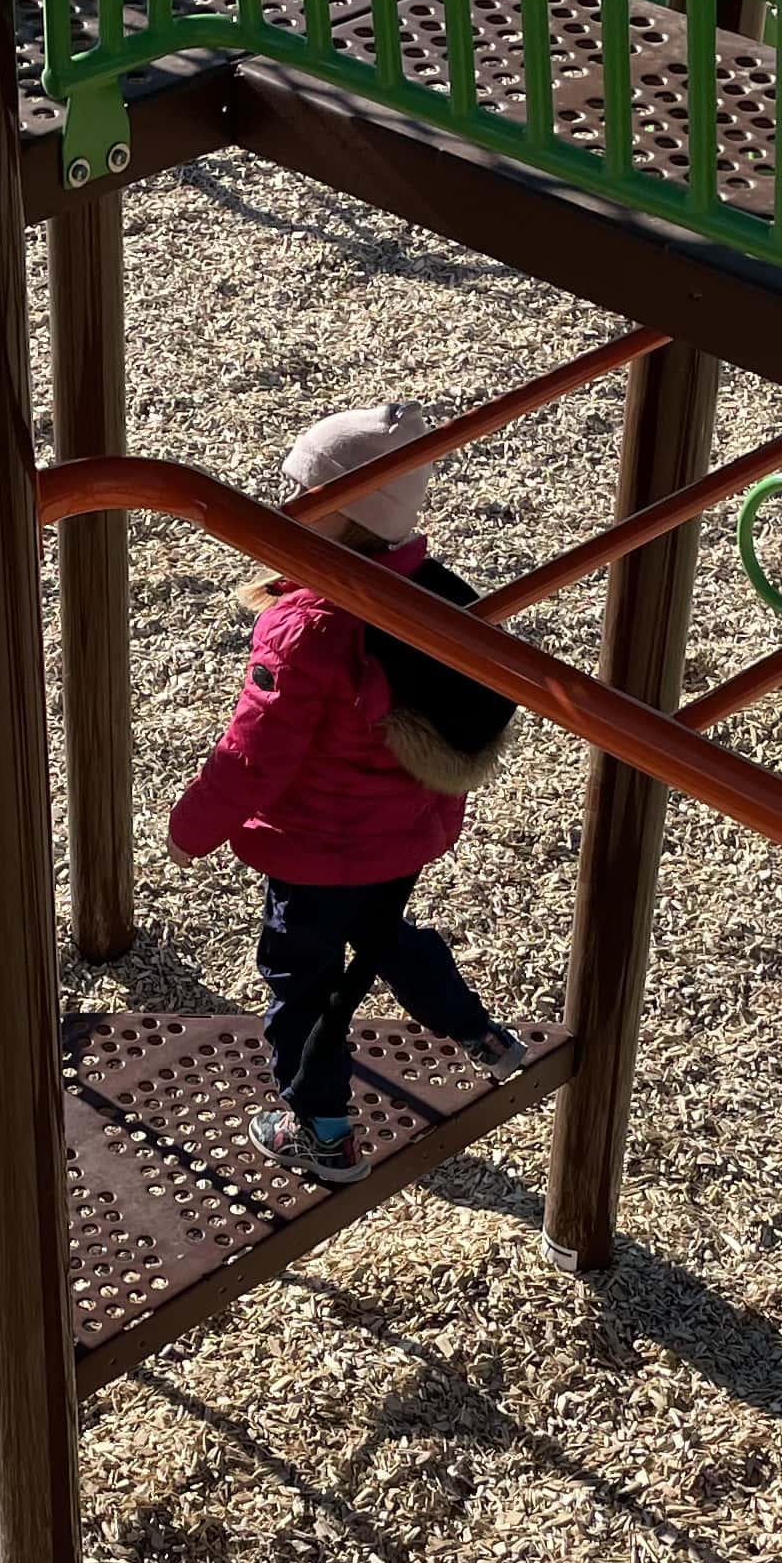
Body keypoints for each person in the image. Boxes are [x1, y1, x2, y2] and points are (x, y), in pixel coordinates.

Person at [167, 402, 526, 1187]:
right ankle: (483, 1037)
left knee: (303, 984)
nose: (280, 501)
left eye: (297, 490)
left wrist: (193, 825)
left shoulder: (310, 628)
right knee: (389, 937)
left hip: (318, 846)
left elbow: (255, 754)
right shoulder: (425, 590)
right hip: (399, 834)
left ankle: (321, 1133)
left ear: (341, 514)